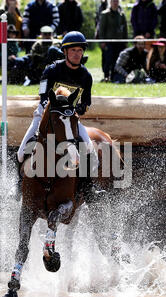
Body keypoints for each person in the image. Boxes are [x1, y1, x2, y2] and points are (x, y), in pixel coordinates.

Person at [16, 31, 98, 186]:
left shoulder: (86, 76)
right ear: (65, 52)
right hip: (44, 116)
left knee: (89, 150)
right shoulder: (51, 70)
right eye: (73, 50)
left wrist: (80, 109)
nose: (77, 53)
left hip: (69, 120)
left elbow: (86, 102)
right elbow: (43, 97)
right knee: (21, 153)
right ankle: (18, 183)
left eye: (80, 50)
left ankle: (89, 187)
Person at [98, 0, 128, 82]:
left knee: (117, 60)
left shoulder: (121, 15)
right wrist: (102, 41)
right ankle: (106, 76)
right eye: (113, 1)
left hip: (119, 42)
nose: (115, 3)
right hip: (108, 42)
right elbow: (101, 29)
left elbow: (125, 29)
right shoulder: (105, 14)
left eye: (117, 1)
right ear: (110, 3)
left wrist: (125, 41)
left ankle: (115, 77)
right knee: (107, 60)